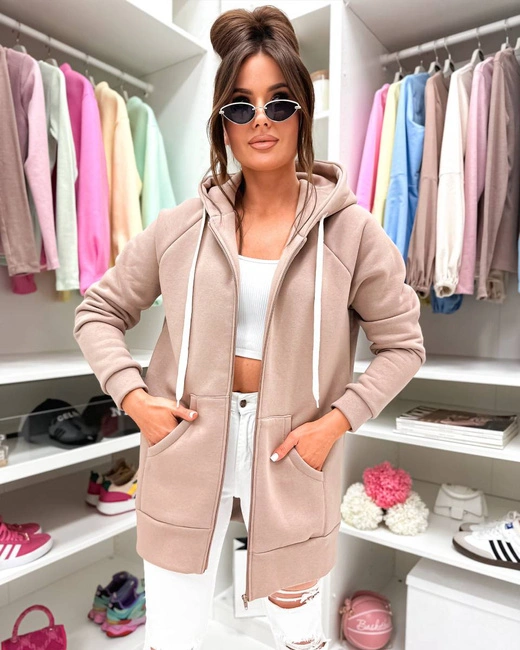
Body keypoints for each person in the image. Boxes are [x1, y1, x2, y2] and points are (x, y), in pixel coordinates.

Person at [73, 6, 426, 650]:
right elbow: (98, 311)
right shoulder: (179, 226)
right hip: (185, 446)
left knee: (297, 632)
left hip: (293, 456)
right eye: (241, 105)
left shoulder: (351, 232)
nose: (261, 119)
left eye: (278, 101)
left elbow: (403, 344)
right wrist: (133, 398)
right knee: (173, 634)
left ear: (302, 112)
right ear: (223, 123)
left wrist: (337, 422)